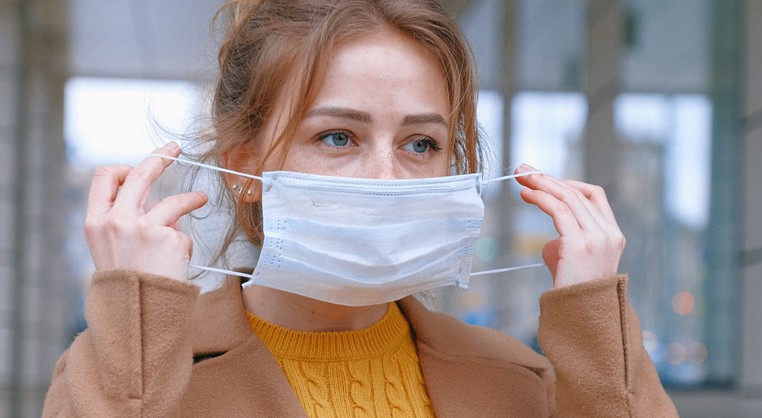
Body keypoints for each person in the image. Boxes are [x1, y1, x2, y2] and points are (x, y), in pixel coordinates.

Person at [44, 0, 678, 416]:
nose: (385, 177)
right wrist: (134, 312)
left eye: (421, 143)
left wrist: (595, 326)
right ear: (244, 169)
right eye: (338, 137)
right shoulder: (128, 372)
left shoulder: (521, 382)